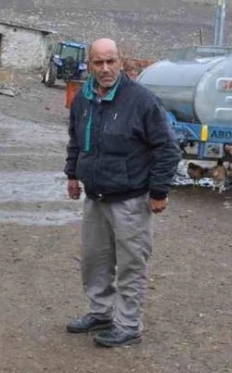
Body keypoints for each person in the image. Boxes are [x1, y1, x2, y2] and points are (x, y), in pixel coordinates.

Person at [64, 38, 180, 347]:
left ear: (120, 61)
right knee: (94, 261)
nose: (104, 69)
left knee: (131, 264)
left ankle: (128, 326)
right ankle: (101, 312)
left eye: (110, 62)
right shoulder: (83, 99)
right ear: (89, 65)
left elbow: (167, 148)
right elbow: (76, 140)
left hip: (130, 199)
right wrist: (72, 174)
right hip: (95, 198)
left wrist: (159, 191)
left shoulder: (141, 101)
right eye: (98, 63)